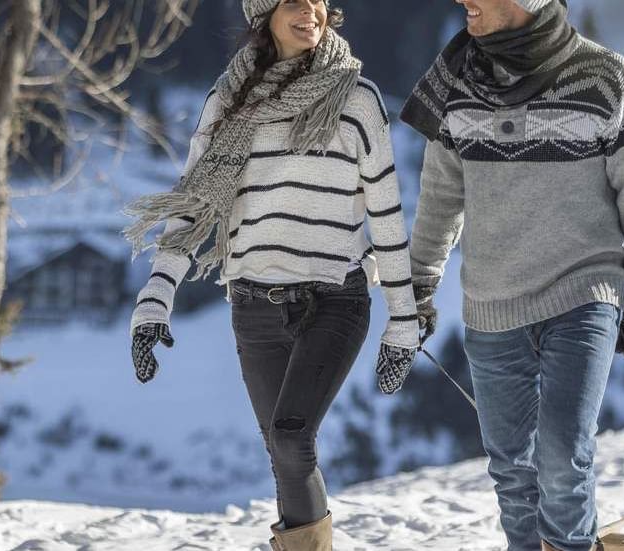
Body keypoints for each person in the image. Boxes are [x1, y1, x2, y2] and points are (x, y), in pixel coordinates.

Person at [124, 1, 419, 548]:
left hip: (336, 297)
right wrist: (154, 299)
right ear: (264, 12)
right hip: (254, 303)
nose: (311, 12)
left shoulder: (356, 99)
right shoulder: (228, 102)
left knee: (291, 438)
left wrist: (403, 321)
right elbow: (193, 207)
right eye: (293, 1)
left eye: (318, 1)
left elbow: (387, 217)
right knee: (283, 453)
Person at [401, 0, 624, 549]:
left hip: (584, 291)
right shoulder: (456, 82)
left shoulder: (606, 77)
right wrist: (419, 286)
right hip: (492, 302)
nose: (462, 2)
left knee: (563, 458)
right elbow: (441, 197)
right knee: (512, 473)